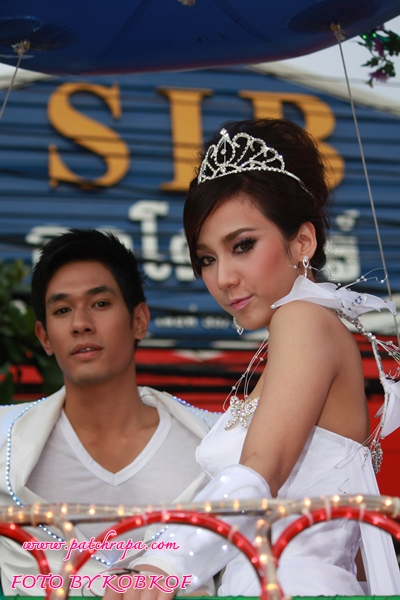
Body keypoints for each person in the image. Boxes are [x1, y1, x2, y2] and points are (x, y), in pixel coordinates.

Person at [123, 119, 400, 596]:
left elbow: (260, 470)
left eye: (242, 246)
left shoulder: (303, 319)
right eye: (207, 259)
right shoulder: (301, 332)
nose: (223, 278)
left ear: (303, 242)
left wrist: (163, 565)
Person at [0, 229, 218, 596]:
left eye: (100, 303)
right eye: (62, 310)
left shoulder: (212, 446)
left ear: (139, 320)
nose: (80, 323)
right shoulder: (5, 444)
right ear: (45, 337)